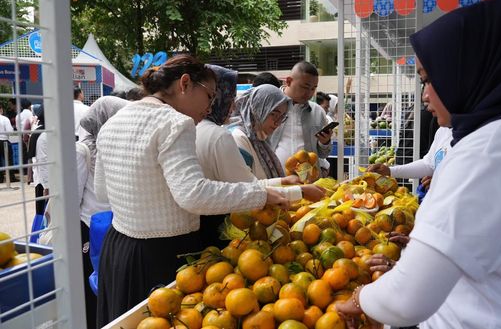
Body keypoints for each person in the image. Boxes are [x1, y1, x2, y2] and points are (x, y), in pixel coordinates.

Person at [336, 0, 501, 329]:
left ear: (469, 71)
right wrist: (428, 254)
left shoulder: (490, 148)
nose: (424, 95)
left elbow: (405, 302)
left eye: (428, 78)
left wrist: (358, 298)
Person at [94, 54, 289, 327]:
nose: (210, 108)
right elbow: (193, 195)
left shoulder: (113, 120)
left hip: (118, 250)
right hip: (161, 254)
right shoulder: (175, 122)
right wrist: (261, 195)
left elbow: (101, 191)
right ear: (185, 83)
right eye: (209, 96)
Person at [195, 67, 325, 246]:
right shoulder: (234, 138)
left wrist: (282, 181)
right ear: (258, 109)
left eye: (282, 117)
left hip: (245, 223)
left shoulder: (258, 140)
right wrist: (298, 191)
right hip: (228, 227)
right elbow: (247, 191)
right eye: (273, 114)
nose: (278, 122)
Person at [77, 96, 129, 329]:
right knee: (89, 280)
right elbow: (73, 195)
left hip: (113, 225)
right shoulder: (83, 150)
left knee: (106, 282)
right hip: (89, 227)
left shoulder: (117, 147)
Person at [269, 61, 331, 173]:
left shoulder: (318, 112)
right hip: (275, 179)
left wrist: (325, 142)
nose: (309, 93)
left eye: (313, 88)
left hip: (308, 181)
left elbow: (323, 154)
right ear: (288, 81)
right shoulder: (269, 106)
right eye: (305, 87)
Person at [0, 106, 16, 183]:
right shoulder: (5, 119)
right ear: (1, 110)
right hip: (4, 141)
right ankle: (11, 177)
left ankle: (0, 178)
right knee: (9, 160)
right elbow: (10, 131)